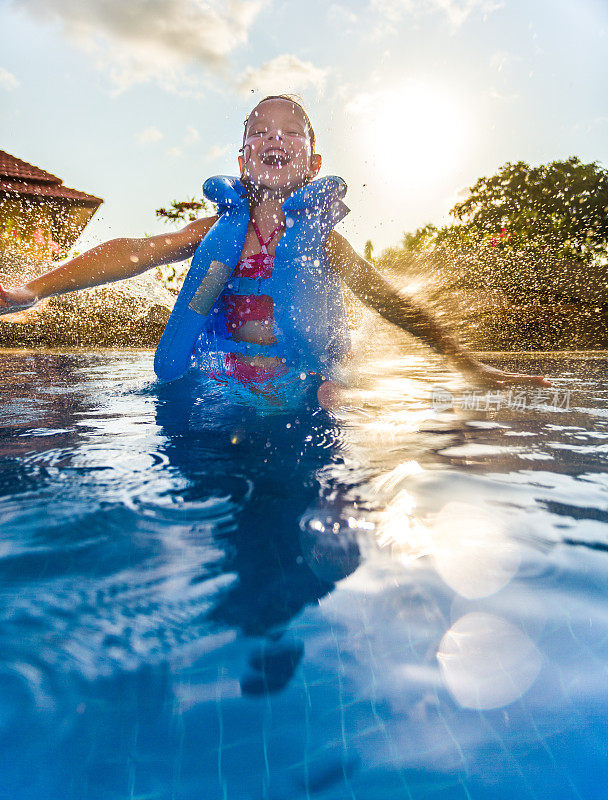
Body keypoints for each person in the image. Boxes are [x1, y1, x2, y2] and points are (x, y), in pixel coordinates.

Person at [0, 94, 550, 408]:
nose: (275, 139)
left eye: (291, 133)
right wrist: (35, 287)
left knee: (337, 399)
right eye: (259, 133)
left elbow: (392, 303)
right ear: (242, 162)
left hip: (307, 380)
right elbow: (136, 251)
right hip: (227, 374)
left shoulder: (324, 243)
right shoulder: (218, 231)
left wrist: (468, 365)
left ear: (313, 165)